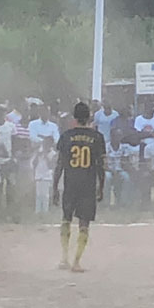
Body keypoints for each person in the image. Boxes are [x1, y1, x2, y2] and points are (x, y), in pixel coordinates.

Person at [52, 102, 106, 273]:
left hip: (70, 184)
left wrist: (54, 187)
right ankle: (76, 262)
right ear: (89, 116)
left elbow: (59, 164)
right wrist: (101, 187)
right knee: (84, 223)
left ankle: (63, 258)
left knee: (66, 219)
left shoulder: (66, 136)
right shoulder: (97, 137)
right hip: (88, 185)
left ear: (74, 117)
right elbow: (101, 166)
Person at [32, 136, 57, 213]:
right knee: (38, 194)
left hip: (47, 175)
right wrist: (37, 155)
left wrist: (46, 156)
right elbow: (34, 163)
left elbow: (51, 166)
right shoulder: (39, 151)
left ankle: (45, 211)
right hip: (38, 174)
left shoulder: (53, 153)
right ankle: (37, 211)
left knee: (45, 195)